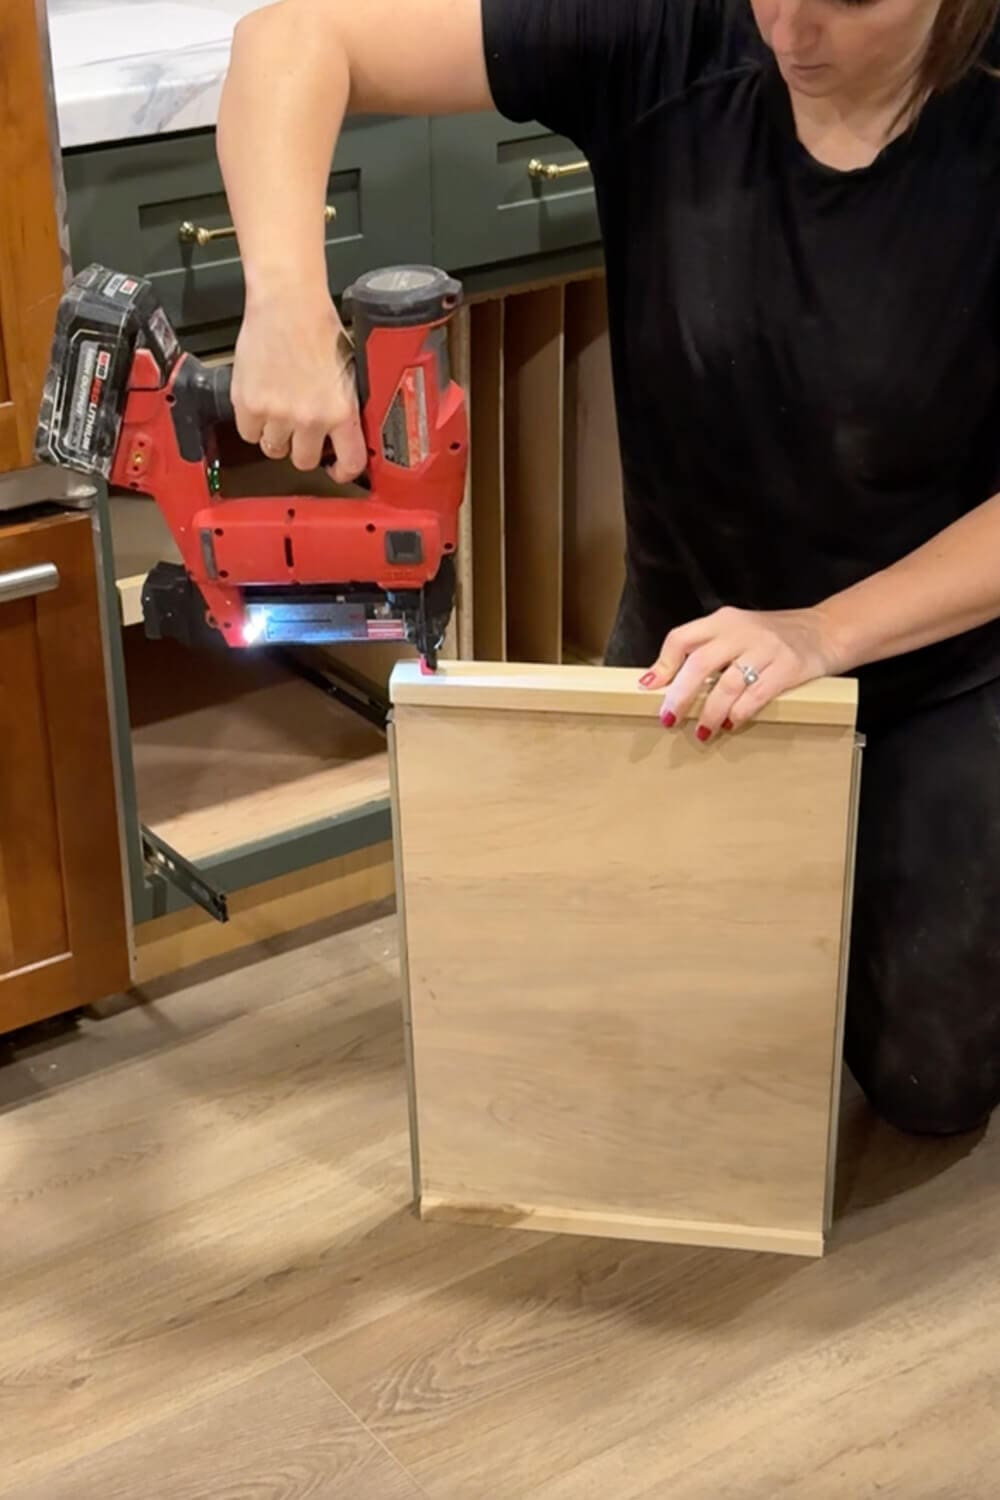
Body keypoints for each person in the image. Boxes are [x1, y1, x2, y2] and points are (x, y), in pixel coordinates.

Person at [216, 0, 1000, 1137]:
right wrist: (282, 296)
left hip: (939, 658)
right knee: (635, 1006)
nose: (788, 29)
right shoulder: (672, 26)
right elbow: (290, 38)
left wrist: (822, 632)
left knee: (936, 1076)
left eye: (847, 0)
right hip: (698, 640)